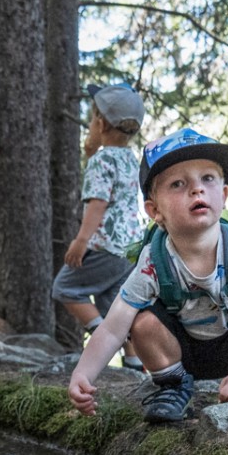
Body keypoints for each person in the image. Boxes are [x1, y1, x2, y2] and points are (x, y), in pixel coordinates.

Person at [67, 128, 228, 422]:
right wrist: (82, 373)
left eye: (208, 178)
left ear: (224, 194)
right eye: (178, 184)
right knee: (141, 320)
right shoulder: (153, 261)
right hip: (179, 353)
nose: (197, 189)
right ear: (155, 211)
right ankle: (174, 387)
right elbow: (114, 327)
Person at [51, 83, 146, 370]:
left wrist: (81, 240)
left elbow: (98, 203)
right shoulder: (130, 159)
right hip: (130, 247)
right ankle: (134, 362)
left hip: (104, 245)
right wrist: (90, 151)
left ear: (100, 123)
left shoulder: (102, 160)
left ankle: (105, 339)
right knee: (114, 303)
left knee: (64, 288)